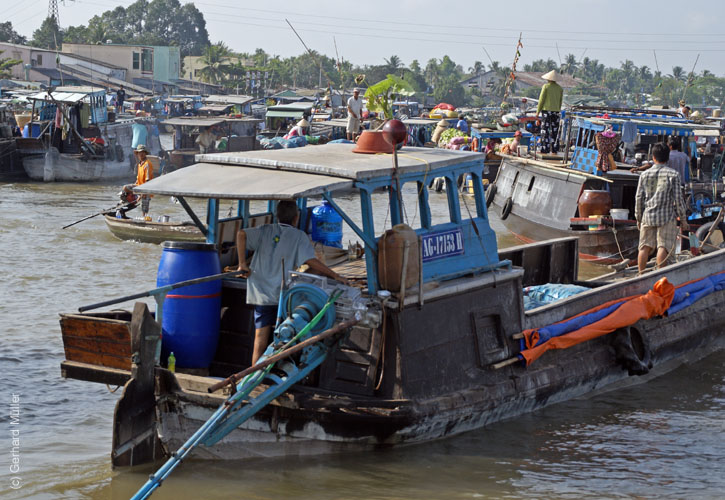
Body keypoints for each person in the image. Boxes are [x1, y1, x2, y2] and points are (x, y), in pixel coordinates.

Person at [235, 201, 348, 364]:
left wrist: (242, 264)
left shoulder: (265, 229)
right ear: (296, 218)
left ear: (276, 215)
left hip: (260, 292)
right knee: (284, 337)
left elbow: (241, 234)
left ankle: (254, 374)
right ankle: (278, 371)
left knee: (260, 338)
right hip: (283, 295)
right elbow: (311, 261)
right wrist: (335, 275)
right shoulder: (299, 236)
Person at [634, 142, 688, 274]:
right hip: (666, 217)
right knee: (663, 246)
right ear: (667, 157)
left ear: (653, 157)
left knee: (644, 247)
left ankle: (640, 274)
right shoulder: (673, 175)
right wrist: (684, 220)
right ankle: (660, 276)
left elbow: (639, 198)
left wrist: (639, 218)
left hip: (648, 216)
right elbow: (678, 200)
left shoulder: (644, 175)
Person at [122, 145, 154, 220]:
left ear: (145, 153)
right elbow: (138, 178)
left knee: (144, 208)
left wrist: (142, 194)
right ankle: (133, 199)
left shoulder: (147, 164)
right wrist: (134, 185)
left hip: (146, 188)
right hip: (139, 186)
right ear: (137, 154)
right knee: (125, 188)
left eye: (142, 152)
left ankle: (145, 219)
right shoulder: (140, 164)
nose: (141, 154)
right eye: (139, 153)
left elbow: (148, 181)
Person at [536, 70, 564, 154]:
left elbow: (541, 100)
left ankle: (544, 149)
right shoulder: (560, 88)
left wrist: (538, 112)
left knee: (545, 130)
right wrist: (557, 110)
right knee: (554, 131)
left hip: (546, 111)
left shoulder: (546, 87)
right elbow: (560, 101)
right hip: (556, 111)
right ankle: (554, 150)